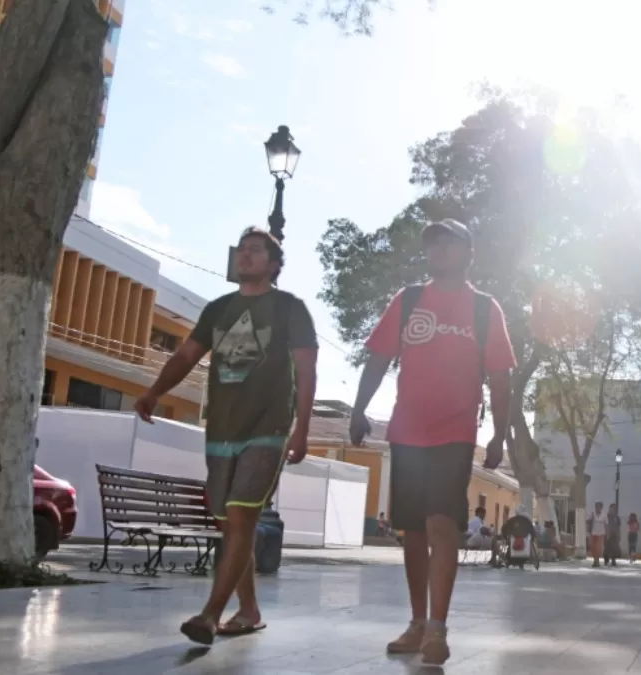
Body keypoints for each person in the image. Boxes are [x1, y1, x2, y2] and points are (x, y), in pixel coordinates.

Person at [134, 227, 318, 645]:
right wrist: (154, 393)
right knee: (233, 524)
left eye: (255, 252)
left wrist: (301, 429)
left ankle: (209, 615)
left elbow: (306, 370)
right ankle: (249, 610)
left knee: (241, 516)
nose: (245, 257)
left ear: (273, 264)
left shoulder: (290, 308)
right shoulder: (218, 309)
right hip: (220, 429)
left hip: (267, 429)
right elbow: (185, 355)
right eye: (242, 251)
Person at [347, 218, 515, 666]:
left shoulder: (485, 309)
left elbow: (500, 378)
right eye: (432, 244)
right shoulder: (409, 300)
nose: (438, 250)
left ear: (468, 253)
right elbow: (379, 357)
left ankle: (438, 628)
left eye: (449, 243)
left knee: (442, 524)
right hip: (406, 431)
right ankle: (417, 622)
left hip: (454, 434)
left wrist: (499, 434)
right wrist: (358, 407)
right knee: (414, 530)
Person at [586, 501, 608, 568]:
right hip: (593, 533)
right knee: (593, 547)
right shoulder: (592, 514)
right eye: (597, 506)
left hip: (601, 533)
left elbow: (606, 524)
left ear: (601, 507)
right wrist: (590, 519)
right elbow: (587, 521)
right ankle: (595, 559)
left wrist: (607, 533)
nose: (598, 508)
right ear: (595, 507)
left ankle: (597, 561)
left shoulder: (604, 515)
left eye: (599, 507)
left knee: (599, 547)